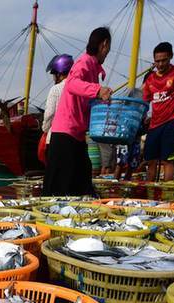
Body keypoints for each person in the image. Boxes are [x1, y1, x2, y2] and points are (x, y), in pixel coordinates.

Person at [43, 27, 113, 196]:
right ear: (104, 44)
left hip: (77, 134)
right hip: (65, 133)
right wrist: (98, 90)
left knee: (81, 182)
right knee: (59, 187)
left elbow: (85, 100)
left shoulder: (93, 68)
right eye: (108, 49)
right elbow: (72, 84)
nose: (107, 53)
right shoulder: (84, 62)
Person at [142, 42, 174, 181]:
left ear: (171, 57)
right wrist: (142, 117)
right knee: (150, 160)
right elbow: (145, 101)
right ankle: (149, 189)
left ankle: (165, 191)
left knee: (168, 160)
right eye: (157, 61)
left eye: (164, 60)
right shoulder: (150, 79)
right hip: (154, 125)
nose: (160, 64)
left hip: (172, 121)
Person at [39, 54, 74, 164]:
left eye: (54, 74)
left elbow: (49, 114)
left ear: (59, 73)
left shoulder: (56, 89)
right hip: (75, 139)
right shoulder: (77, 88)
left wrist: (45, 128)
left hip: (56, 139)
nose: (53, 77)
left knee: (54, 171)